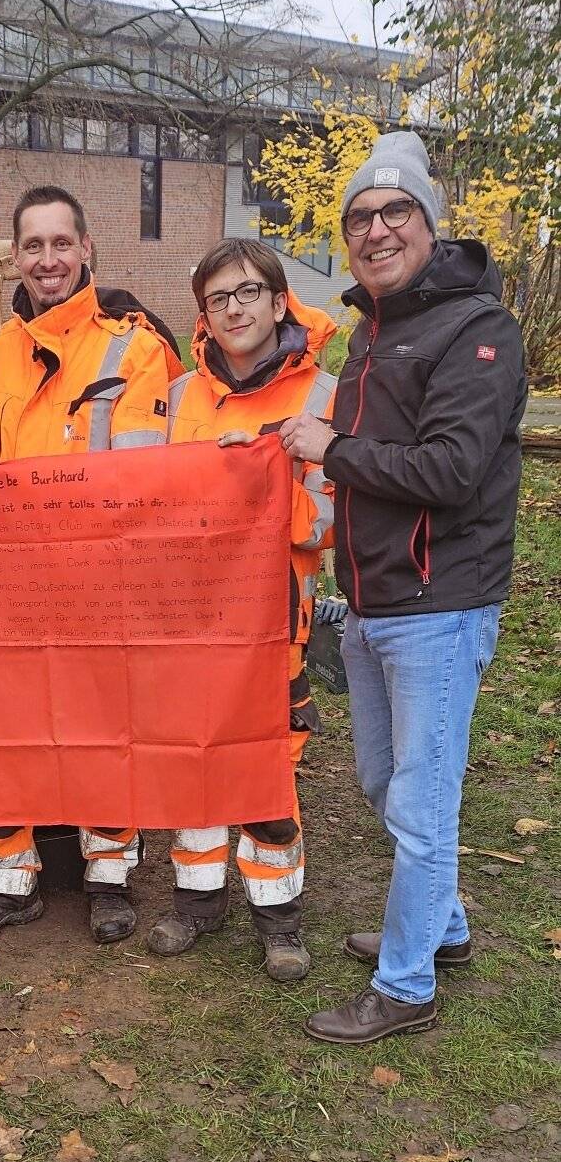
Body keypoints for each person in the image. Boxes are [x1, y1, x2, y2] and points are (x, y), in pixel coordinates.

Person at [278, 130, 527, 1043]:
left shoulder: (477, 329)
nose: (376, 230)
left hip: (443, 602)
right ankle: (444, 924)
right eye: (359, 220)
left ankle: (407, 982)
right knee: (385, 782)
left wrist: (331, 449)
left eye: (395, 212)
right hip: (376, 599)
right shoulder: (375, 329)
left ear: (430, 223)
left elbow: (454, 469)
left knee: (422, 803)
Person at [0, 183, 186, 947]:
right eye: (34, 245)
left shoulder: (135, 350)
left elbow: (151, 481)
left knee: (105, 729)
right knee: (1, 733)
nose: (48, 259)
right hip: (4, 587)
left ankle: (108, 873)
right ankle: (7, 879)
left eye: (61, 243)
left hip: (101, 587)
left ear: (87, 251)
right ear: (15, 256)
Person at [161, 238, 336, 980]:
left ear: (277, 299)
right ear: (202, 312)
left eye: (247, 292)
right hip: (190, 619)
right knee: (193, 758)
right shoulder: (178, 394)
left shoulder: (322, 394)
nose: (233, 309)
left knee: (267, 769)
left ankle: (278, 914)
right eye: (217, 298)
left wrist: (257, 482)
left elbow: (329, 518)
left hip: (273, 620)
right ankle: (197, 900)